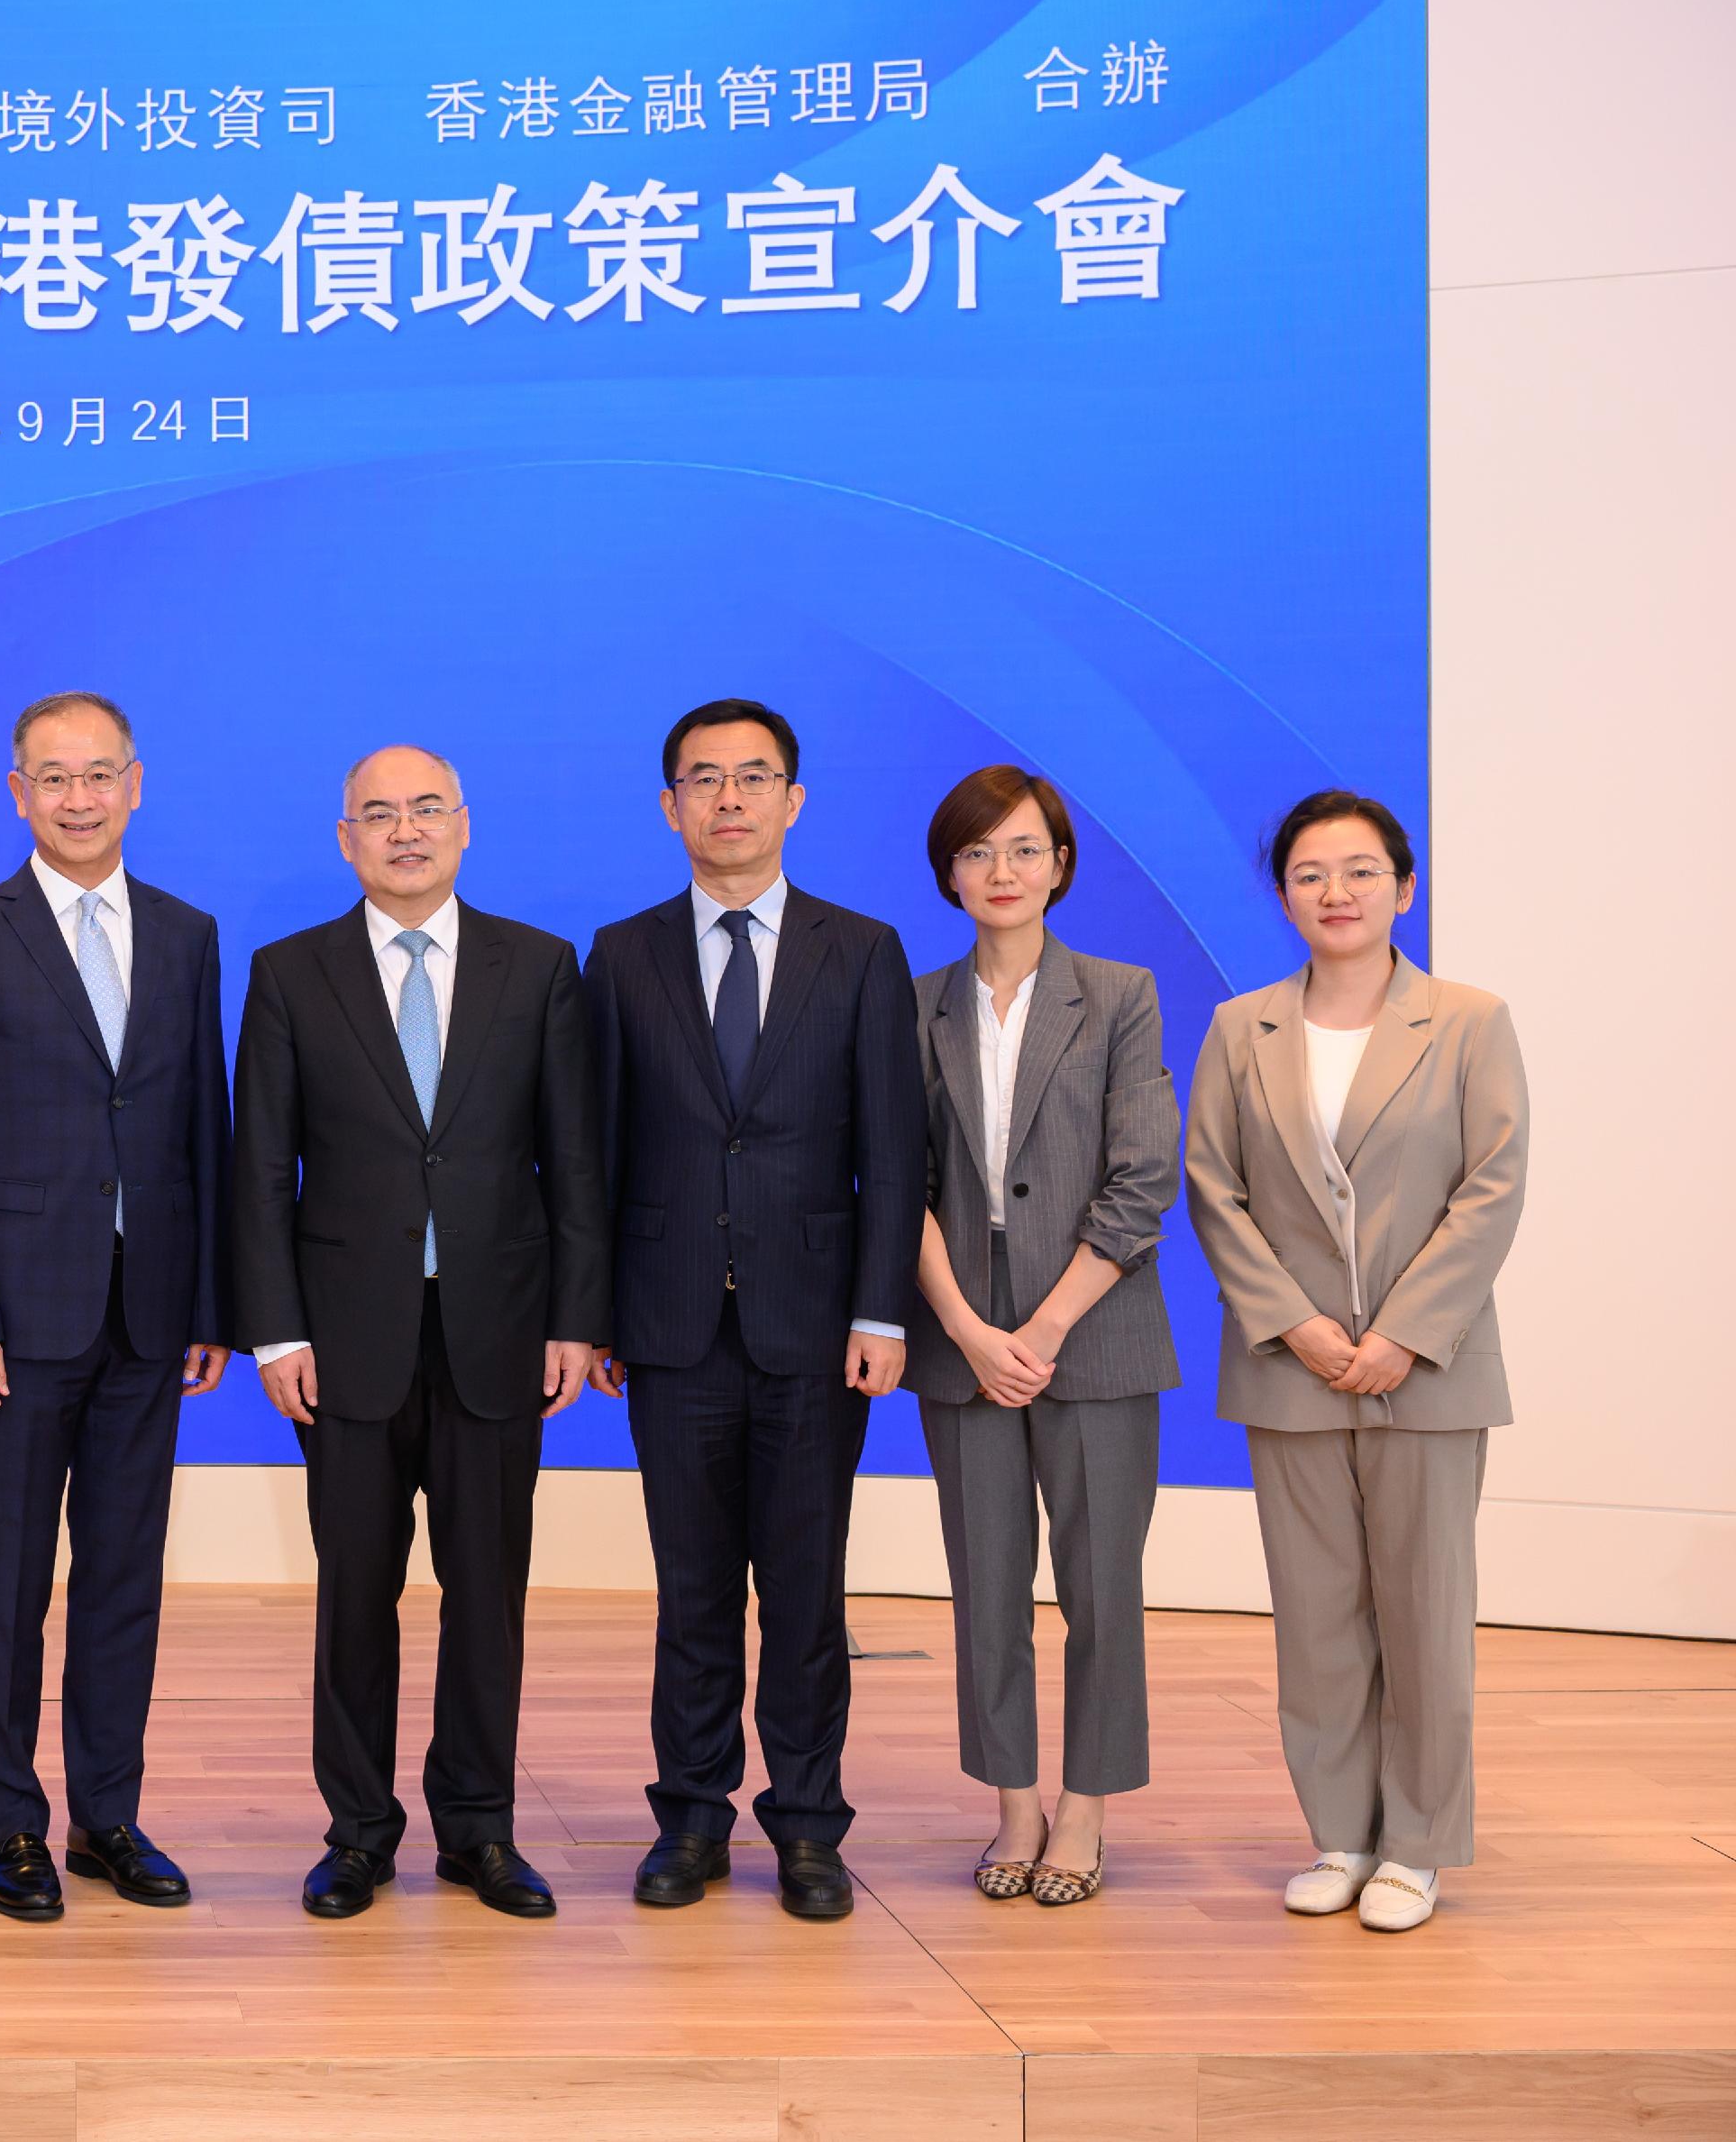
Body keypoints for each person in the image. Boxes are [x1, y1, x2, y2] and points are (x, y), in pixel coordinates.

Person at [230, 746, 608, 1923]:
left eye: (427, 809)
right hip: (343, 1340)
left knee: (486, 1591)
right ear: (345, 837)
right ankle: (357, 1831)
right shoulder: (290, 972)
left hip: (499, 1327)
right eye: (379, 814)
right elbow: (258, 1168)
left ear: (465, 825)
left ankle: (480, 1827)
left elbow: (577, 1163)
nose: (406, 831)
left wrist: (577, 1321)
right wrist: (273, 1332)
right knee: (355, 1589)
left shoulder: (539, 966)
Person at [581, 699, 923, 1922]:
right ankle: (689, 1816)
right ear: (670, 804)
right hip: (670, 1328)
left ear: (795, 799)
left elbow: (895, 1149)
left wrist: (883, 1311)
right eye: (704, 779)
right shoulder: (621, 954)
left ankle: (812, 1824)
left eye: (754, 776)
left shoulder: (863, 948)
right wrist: (600, 1309)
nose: (730, 799)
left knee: (806, 1587)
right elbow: (595, 1152)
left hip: (821, 1326)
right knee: (692, 1589)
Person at [0, 691, 230, 1922]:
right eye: (54, 777)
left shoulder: (187, 932)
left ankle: (109, 1810)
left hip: (151, 1315)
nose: (79, 797)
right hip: (18, 1324)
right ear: (17, 791)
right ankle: (12, 1824)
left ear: (136, 783)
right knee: (12, 1578)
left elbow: (202, 1119)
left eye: (100, 774)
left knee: (124, 1575)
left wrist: (208, 1300)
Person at [1185, 791, 1525, 1935]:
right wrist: (1298, 1326)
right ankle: (1340, 1833)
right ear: (1282, 893)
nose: (1336, 893)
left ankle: (1418, 1845)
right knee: (1317, 1614)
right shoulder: (1242, 1028)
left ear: (1403, 887)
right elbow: (1213, 1192)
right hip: (1293, 1368)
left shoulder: (1470, 1020)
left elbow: (1491, 1189)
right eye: (1311, 874)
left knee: (1426, 1610)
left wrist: (1397, 1335)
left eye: (1361, 872)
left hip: (1425, 1366)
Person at [909, 765, 1179, 1909]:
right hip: (961, 1343)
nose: (1002, 873)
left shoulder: (1119, 994)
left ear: (1060, 864)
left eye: (1024, 850)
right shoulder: (910, 1002)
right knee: (985, 1589)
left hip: (1096, 1338)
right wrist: (971, 1329)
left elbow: (1141, 1180)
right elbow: (895, 1181)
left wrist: (1046, 1324)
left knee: (1100, 1588)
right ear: (949, 874)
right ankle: (1012, 1802)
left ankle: (1085, 1810)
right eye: (978, 854)